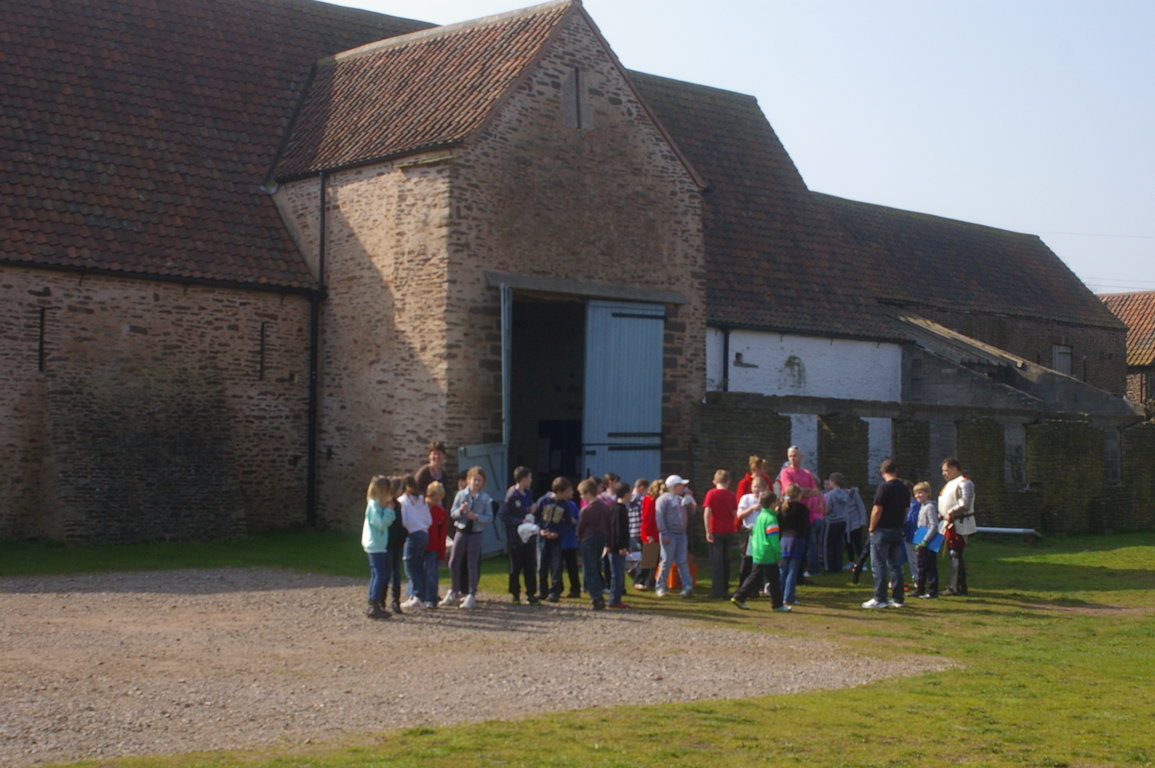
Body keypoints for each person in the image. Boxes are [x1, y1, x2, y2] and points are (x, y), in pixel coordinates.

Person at [443, 465, 493, 609]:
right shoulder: (461, 495)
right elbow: (452, 513)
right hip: (461, 531)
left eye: (479, 480)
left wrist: (476, 516)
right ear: (469, 480)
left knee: (472, 563)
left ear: (483, 482)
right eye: (474, 479)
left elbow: (489, 517)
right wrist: (461, 510)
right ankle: (454, 590)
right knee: (453, 561)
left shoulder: (485, 498)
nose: (476, 483)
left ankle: (471, 594)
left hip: (475, 533)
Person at [862, 459, 910, 609]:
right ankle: (898, 599)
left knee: (879, 565)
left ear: (883, 472)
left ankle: (880, 598)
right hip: (897, 529)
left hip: (882, 530)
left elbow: (877, 509)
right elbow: (906, 509)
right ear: (895, 471)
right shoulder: (903, 488)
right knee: (896, 566)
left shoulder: (884, 487)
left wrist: (871, 528)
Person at [730, 491, 789, 611]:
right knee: (774, 580)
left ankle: (739, 596)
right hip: (769, 554)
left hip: (758, 552)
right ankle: (777, 604)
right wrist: (779, 555)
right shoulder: (771, 519)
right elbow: (774, 540)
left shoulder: (760, 517)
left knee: (753, 577)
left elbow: (754, 535)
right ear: (773, 503)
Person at [777, 446, 827, 576]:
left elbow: (815, 491)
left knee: (805, 542)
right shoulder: (786, 472)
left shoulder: (807, 473)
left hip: (805, 511)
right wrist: (805, 492)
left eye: (795, 455)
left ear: (801, 456)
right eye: (790, 456)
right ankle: (787, 571)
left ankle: (800, 573)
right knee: (790, 540)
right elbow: (790, 490)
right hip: (790, 510)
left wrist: (801, 491)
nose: (793, 458)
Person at [362, 475, 399, 620]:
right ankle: (374, 604)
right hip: (375, 544)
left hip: (378, 544)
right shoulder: (373, 506)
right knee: (381, 574)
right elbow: (381, 524)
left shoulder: (376, 505)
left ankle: (373, 602)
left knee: (377, 573)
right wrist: (390, 511)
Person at [534, 477, 577, 603]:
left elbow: (568, 523)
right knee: (541, 565)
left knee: (556, 566)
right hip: (542, 538)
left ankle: (554, 592)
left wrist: (558, 533)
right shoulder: (543, 501)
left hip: (556, 539)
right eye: (568, 491)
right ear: (560, 491)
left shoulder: (565, 505)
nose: (570, 493)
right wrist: (540, 530)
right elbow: (536, 517)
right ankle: (542, 591)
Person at [653, 474, 696, 598]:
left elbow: (692, 513)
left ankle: (687, 586)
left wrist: (690, 501)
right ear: (674, 486)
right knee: (666, 560)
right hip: (669, 534)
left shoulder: (680, 498)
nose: (683, 487)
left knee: (682, 561)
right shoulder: (663, 499)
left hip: (681, 534)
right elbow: (659, 517)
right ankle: (660, 586)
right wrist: (664, 533)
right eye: (681, 485)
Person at [939, 457, 977, 596]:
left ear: (954, 468)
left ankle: (956, 587)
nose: (944, 473)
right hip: (949, 522)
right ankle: (958, 586)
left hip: (959, 523)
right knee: (953, 554)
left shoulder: (964, 483)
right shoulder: (951, 483)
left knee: (956, 554)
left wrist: (951, 513)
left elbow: (965, 504)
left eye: (946, 470)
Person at [500, 466, 538, 604]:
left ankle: (531, 593)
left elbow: (529, 508)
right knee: (515, 567)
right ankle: (515, 593)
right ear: (523, 479)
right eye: (529, 477)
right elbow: (504, 516)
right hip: (516, 538)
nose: (531, 480)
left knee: (530, 565)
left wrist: (532, 509)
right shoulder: (511, 496)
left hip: (529, 537)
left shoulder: (528, 493)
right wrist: (520, 520)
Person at [576, 478, 612, 610]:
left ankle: (596, 597)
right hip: (601, 538)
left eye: (581, 494)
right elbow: (609, 525)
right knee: (596, 567)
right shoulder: (604, 507)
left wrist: (579, 538)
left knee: (590, 569)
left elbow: (580, 527)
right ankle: (599, 593)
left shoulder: (586, 510)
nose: (581, 496)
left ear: (587, 493)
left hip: (589, 539)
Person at [703, 469, 738, 599]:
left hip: (715, 530)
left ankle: (717, 591)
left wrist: (707, 531)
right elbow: (735, 514)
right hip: (728, 530)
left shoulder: (711, 494)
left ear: (714, 481)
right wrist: (734, 526)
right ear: (728, 481)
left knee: (716, 562)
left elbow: (707, 513)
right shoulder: (731, 495)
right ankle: (725, 588)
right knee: (726, 561)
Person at [398, 474, 432, 610]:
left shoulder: (403, 501)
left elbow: (404, 520)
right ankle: (416, 596)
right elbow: (428, 520)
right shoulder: (422, 500)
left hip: (412, 534)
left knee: (410, 567)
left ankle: (417, 595)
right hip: (424, 533)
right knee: (418, 565)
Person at [777, 483, 810, 607]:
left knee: (783, 569)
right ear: (798, 495)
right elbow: (806, 526)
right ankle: (789, 596)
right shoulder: (802, 508)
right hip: (797, 539)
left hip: (784, 539)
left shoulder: (782, 508)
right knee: (793, 570)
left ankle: (779, 595)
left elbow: (779, 525)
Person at [736, 475, 768, 589]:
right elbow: (739, 515)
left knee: (759, 560)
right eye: (754, 487)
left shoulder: (765, 500)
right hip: (749, 531)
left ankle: (756, 586)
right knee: (747, 559)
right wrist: (751, 509)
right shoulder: (746, 498)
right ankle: (743, 585)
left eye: (759, 487)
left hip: (761, 533)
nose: (756, 490)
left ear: (764, 488)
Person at [912, 481, 940, 599]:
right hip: (921, 539)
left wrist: (925, 540)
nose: (918, 495)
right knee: (921, 566)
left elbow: (933, 525)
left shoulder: (929, 507)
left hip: (928, 541)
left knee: (930, 566)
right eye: (916, 493)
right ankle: (920, 589)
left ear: (928, 494)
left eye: (921, 492)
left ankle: (933, 592)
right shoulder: (922, 506)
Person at [634, 478, 663, 590]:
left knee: (654, 559)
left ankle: (650, 581)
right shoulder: (649, 500)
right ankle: (639, 580)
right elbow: (646, 518)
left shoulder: (655, 500)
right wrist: (647, 534)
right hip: (650, 533)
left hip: (655, 533)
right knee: (647, 559)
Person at [606, 481, 632, 609]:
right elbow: (618, 530)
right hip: (617, 547)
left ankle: (615, 598)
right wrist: (621, 546)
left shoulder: (613, 507)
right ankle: (614, 600)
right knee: (617, 574)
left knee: (617, 573)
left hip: (616, 546)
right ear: (626, 494)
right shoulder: (619, 510)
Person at [424, 481, 449, 608]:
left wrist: (441, 550)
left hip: (433, 546)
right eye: (436, 499)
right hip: (421, 545)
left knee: (432, 572)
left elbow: (442, 533)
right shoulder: (420, 507)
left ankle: (431, 598)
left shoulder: (441, 513)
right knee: (418, 571)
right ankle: (418, 595)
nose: (437, 502)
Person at [821, 472, 851, 574]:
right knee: (838, 544)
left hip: (832, 521)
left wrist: (822, 511)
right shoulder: (845, 494)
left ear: (832, 481)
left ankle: (829, 567)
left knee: (828, 544)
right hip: (842, 520)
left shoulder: (830, 495)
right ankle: (838, 565)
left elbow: (828, 509)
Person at [626, 478, 648, 586]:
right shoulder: (641, 500)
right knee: (646, 555)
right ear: (642, 488)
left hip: (633, 530)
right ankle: (638, 577)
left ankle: (635, 570)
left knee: (644, 554)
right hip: (641, 530)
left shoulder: (629, 499)